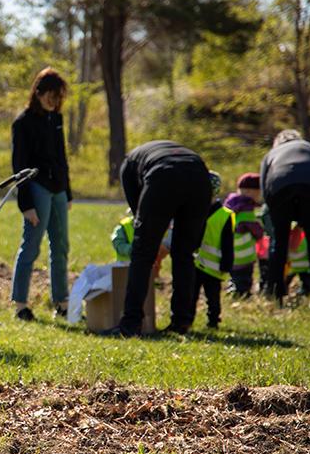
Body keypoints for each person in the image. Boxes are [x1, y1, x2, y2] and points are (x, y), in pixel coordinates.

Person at [103, 141, 212, 337]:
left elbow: (139, 213)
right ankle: (181, 323)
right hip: (200, 177)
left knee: (142, 253)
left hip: (164, 176)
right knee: (184, 254)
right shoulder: (159, 152)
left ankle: (131, 324)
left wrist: (150, 239)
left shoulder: (128, 165)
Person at [11, 68, 72, 321]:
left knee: (61, 247)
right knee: (31, 247)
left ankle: (61, 301)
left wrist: (67, 193)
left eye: (58, 97)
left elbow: (62, 156)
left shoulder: (56, 119)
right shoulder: (23, 122)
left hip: (58, 190)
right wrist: (26, 205)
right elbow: (19, 166)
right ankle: (21, 305)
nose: (53, 101)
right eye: (49, 95)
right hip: (37, 190)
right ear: (38, 92)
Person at [260, 130, 310, 312]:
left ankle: (275, 296)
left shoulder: (272, 154)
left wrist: (276, 212)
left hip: (280, 190)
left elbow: (264, 185)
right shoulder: (309, 148)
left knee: (279, 244)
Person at [192, 171, 235, 329]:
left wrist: (226, 265)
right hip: (196, 262)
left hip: (213, 266)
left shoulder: (224, 215)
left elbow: (227, 243)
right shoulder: (195, 210)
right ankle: (188, 319)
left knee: (212, 295)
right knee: (191, 294)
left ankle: (213, 321)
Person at [224, 173, 264, 296]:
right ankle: (241, 294)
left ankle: (232, 289)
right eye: (257, 192)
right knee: (244, 276)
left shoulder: (230, 204)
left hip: (230, 248)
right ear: (247, 191)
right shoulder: (246, 207)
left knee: (234, 274)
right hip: (244, 251)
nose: (259, 195)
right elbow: (253, 227)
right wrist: (260, 234)